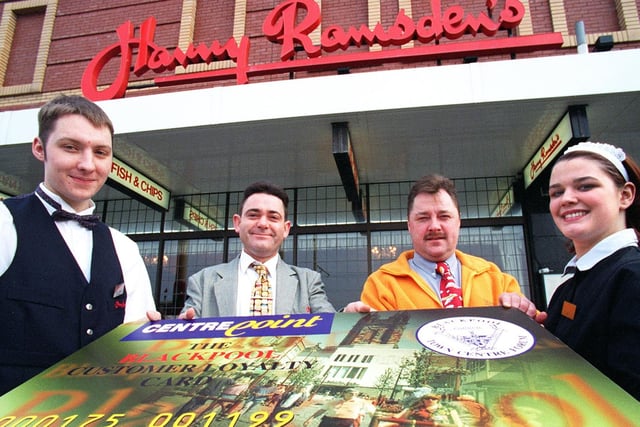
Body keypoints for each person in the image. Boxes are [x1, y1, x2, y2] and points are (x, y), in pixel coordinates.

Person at [0, 95, 159, 395]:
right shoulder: (4, 223)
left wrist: (178, 336)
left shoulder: (124, 247)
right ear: (39, 148)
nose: (88, 164)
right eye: (71, 147)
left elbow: (135, 345)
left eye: (100, 152)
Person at [360, 174, 542, 319]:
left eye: (444, 216)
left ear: (458, 221)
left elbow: (534, 336)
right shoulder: (381, 285)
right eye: (423, 218)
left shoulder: (496, 279)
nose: (434, 226)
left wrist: (525, 313)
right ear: (409, 225)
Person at [543, 141, 640, 400]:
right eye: (556, 192)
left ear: (625, 195)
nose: (568, 199)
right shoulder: (572, 283)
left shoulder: (632, 276)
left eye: (585, 186)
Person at [180, 181, 339, 318]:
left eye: (273, 217)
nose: (263, 224)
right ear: (237, 223)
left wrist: (349, 317)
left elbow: (331, 326)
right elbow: (184, 332)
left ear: (285, 229)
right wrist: (173, 331)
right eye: (253, 215)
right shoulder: (203, 281)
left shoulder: (308, 282)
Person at [303, 388, 375, 427]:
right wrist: (310, 419)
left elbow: (373, 413)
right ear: (344, 393)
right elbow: (322, 410)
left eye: (355, 393)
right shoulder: (334, 401)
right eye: (350, 392)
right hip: (328, 421)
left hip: (347, 422)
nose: (353, 394)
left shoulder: (361, 402)